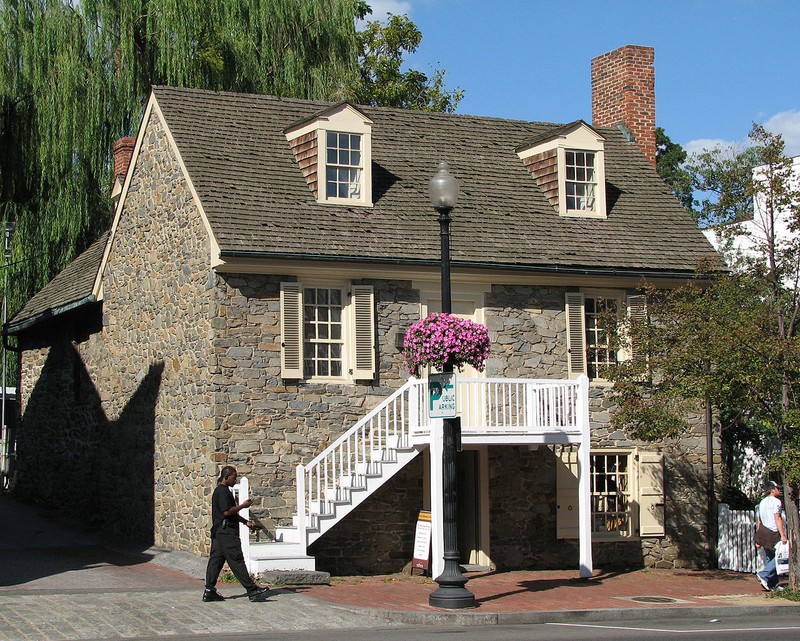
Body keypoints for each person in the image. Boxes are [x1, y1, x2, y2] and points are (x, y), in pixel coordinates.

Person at [203, 466, 270, 602]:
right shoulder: (222, 491)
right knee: (236, 560)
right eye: (234, 477)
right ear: (226, 477)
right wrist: (243, 506)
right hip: (226, 532)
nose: (235, 479)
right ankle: (252, 591)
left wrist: (245, 522)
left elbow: (229, 513)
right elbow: (226, 512)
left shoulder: (222, 491)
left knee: (216, 560)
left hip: (219, 532)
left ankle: (209, 590)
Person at [755, 480, 787, 592]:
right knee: (778, 557)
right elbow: (777, 518)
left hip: (763, 531)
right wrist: (783, 535)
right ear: (772, 490)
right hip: (772, 532)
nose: (779, 490)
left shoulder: (762, 502)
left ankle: (773, 584)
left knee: (770, 557)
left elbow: (759, 520)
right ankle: (763, 574)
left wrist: (758, 538)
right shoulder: (776, 502)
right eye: (777, 488)